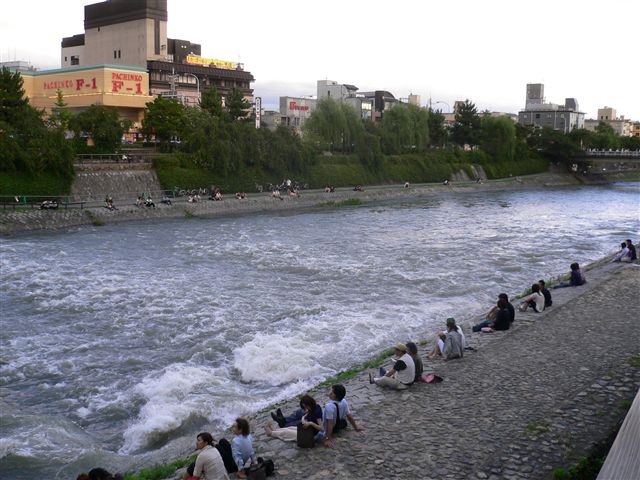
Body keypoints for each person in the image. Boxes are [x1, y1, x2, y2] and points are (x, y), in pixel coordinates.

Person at [322, 384, 363, 448]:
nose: (330, 393)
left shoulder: (329, 406)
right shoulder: (344, 401)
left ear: (335, 395)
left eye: (332, 392)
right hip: (339, 424)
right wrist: (356, 427)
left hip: (332, 428)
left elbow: (329, 423)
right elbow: (349, 416)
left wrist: (327, 438)